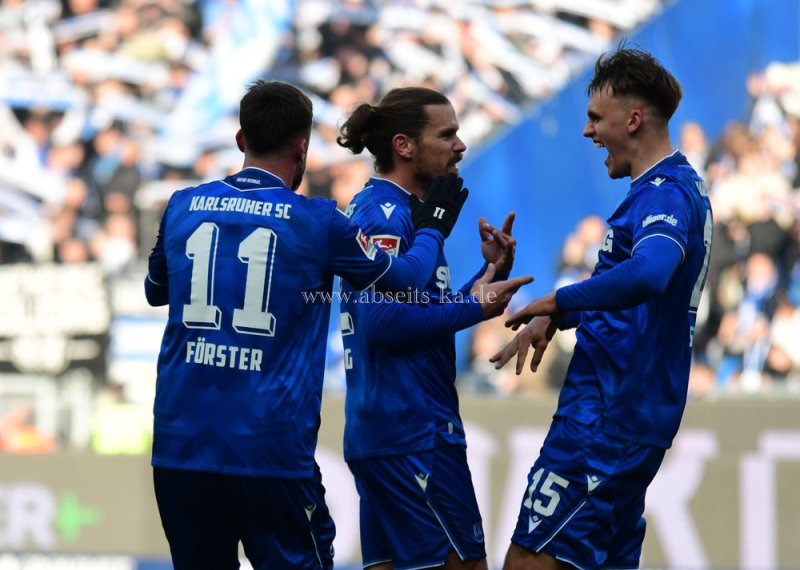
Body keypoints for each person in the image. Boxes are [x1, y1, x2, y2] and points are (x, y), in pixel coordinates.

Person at [144, 80, 470, 570]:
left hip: (180, 450)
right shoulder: (318, 220)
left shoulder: (181, 205)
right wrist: (433, 224)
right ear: (302, 146)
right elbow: (402, 280)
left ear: (240, 140)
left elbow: (155, 291)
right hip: (269, 451)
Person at [490, 46, 714, 570]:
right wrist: (565, 315)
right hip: (626, 416)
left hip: (604, 419)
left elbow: (650, 273)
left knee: (527, 561)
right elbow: (631, 284)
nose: (588, 132)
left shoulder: (665, 192)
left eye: (595, 118)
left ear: (633, 119)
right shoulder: (668, 190)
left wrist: (560, 297)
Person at [336, 86, 533, 570]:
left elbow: (418, 308)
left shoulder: (406, 215)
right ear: (404, 146)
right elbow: (382, 321)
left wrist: (485, 280)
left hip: (388, 430)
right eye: (447, 135)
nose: (460, 146)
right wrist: (473, 310)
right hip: (414, 432)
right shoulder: (389, 214)